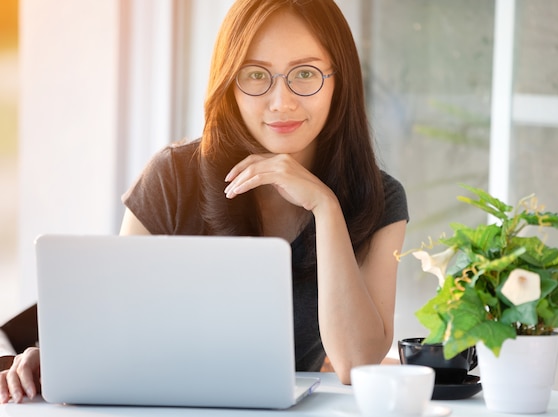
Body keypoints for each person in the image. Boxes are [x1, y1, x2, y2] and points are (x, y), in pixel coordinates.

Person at [0, 0, 408, 404]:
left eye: (305, 73)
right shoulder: (173, 176)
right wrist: (55, 357)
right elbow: (114, 324)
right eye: (255, 75)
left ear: (340, 79)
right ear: (228, 82)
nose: (281, 101)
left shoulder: (380, 198)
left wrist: (325, 207)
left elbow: (356, 365)